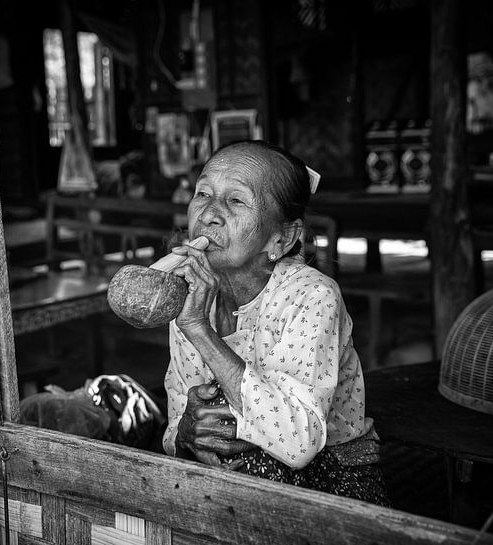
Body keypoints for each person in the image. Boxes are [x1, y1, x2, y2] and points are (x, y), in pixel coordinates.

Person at [162, 140, 389, 505]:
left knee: (254, 468)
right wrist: (187, 433)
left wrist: (200, 331)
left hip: (333, 477)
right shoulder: (189, 297)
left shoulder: (313, 296)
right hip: (235, 476)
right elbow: (176, 416)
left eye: (235, 200)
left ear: (281, 239)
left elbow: (298, 443)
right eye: (203, 193)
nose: (208, 214)